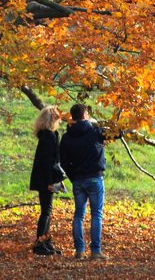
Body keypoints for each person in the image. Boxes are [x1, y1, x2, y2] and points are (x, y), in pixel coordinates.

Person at [59, 103, 110, 261]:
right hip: (95, 177)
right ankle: (96, 251)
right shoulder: (96, 132)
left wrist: (73, 176)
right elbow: (117, 134)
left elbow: (63, 161)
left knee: (78, 216)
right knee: (96, 215)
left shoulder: (67, 137)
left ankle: (79, 250)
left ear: (72, 117)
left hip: (78, 179)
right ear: (85, 115)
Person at [28, 105, 65, 256]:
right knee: (46, 211)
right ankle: (40, 243)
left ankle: (45, 241)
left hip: (45, 177)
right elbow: (48, 161)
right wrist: (50, 182)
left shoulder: (48, 135)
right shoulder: (48, 137)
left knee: (47, 210)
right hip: (46, 178)